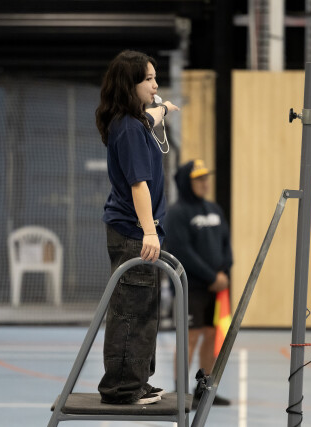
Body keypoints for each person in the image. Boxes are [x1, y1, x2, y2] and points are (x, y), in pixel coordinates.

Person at [95, 50, 179, 405]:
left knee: (144, 307)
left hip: (138, 230)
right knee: (131, 309)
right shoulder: (129, 128)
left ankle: (137, 381)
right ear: (130, 85)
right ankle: (121, 387)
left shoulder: (135, 120)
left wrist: (164, 109)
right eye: (148, 79)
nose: (155, 85)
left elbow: (152, 113)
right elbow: (138, 185)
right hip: (134, 233)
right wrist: (149, 232)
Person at [165, 159, 233, 408]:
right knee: (190, 337)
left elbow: (226, 243)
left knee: (213, 335)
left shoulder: (214, 209)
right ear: (186, 183)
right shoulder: (177, 213)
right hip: (190, 287)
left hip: (217, 288)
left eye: (206, 178)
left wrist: (223, 272)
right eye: (199, 179)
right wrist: (211, 277)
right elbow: (183, 251)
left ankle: (203, 389)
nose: (205, 183)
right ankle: (180, 392)